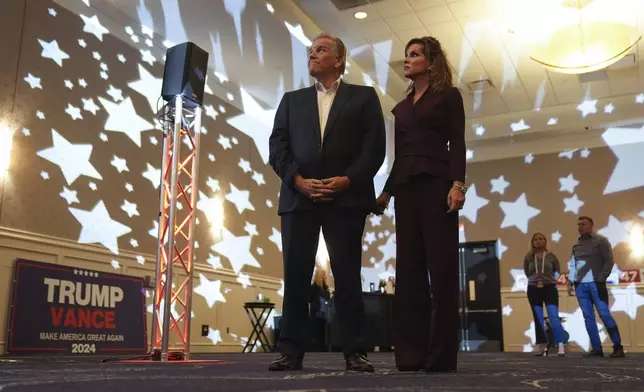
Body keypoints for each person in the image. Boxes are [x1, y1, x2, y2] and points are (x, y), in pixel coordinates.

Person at [268, 32, 386, 372]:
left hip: (346, 199)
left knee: (348, 275)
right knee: (296, 275)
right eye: (310, 51)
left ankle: (355, 351)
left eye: (320, 50)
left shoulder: (364, 98)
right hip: (298, 199)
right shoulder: (292, 100)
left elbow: (374, 148)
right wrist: (298, 181)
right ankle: (291, 351)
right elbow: (278, 147)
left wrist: (348, 180)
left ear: (339, 60)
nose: (312, 55)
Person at [374, 36, 467, 372]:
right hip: (406, 188)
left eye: (414, 54)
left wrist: (458, 183)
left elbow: (457, 142)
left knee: (440, 270)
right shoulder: (401, 108)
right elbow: (400, 156)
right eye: (406, 55)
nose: (407, 60)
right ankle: (411, 354)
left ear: (431, 60)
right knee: (409, 270)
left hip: (438, 185)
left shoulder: (448, 96)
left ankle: (440, 354)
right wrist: (385, 192)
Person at [568, 216, 625, 358]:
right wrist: (571, 281)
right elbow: (573, 264)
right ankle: (596, 348)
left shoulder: (601, 241)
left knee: (604, 314)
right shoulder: (576, 245)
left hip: (596, 284)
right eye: (579, 224)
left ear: (591, 225)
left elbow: (609, 261)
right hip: (580, 285)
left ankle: (618, 347)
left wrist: (601, 279)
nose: (580, 226)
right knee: (588, 317)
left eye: (584, 224)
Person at [524, 232, 566, 357]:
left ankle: (561, 345)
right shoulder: (529, 257)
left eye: (541, 239)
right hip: (533, 288)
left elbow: (557, 270)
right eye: (536, 239)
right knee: (538, 318)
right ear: (532, 242)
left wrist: (552, 280)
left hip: (549, 288)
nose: (538, 241)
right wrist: (534, 279)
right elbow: (527, 271)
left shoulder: (551, 256)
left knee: (554, 317)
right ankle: (541, 346)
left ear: (545, 241)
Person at [308, 268, 331, 351]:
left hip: (325, 314)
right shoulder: (314, 287)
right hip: (316, 313)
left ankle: (323, 348)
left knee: (323, 332)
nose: (325, 277)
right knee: (315, 332)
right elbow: (309, 299)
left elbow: (328, 299)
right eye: (323, 275)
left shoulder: (326, 288)